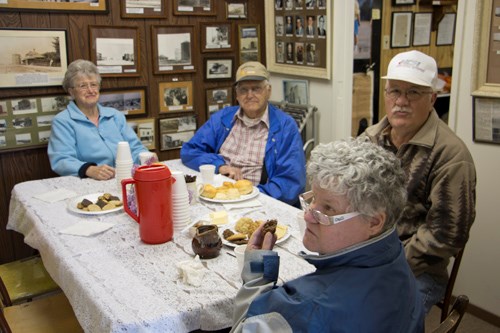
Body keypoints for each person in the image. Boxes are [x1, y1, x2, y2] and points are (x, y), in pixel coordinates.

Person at [230, 138, 424, 332]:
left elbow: (243, 328)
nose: (307, 215)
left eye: (328, 208)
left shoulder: (304, 306)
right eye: (312, 199)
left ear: (374, 222)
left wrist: (257, 277)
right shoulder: (395, 257)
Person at [362, 50, 477, 313]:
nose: (401, 101)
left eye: (414, 92)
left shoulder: (451, 156)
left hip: (417, 269)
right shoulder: (371, 139)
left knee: (376, 318)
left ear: (432, 99)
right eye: (394, 91)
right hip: (366, 254)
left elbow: (447, 234)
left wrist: (388, 266)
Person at [180, 62, 306, 206]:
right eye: (244, 90)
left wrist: (248, 196)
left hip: (257, 201)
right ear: (237, 95)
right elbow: (190, 151)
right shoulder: (222, 118)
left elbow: (290, 184)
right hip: (218, 196)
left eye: (256, 89)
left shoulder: (285, 127)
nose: (249, 95)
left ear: (268, 91)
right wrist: (219, 166)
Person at [48, 59, 148, 180]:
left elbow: (135, 147)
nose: (90, 90)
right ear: (71, 92)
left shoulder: (115, 116)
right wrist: (90, 169)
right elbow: (61, 160)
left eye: (93, 84)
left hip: (124, 177)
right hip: (90, 183)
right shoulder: (63, 121)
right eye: (83, 86)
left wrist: (147, 157)